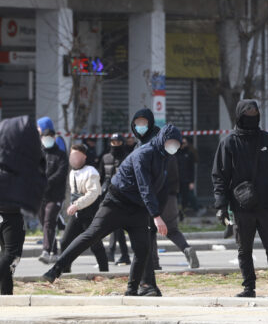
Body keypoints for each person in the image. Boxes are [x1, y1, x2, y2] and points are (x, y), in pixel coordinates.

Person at [42, 124, 184, 297]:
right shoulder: (143, 154)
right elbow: (144, 185)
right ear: (163, 139)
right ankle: (55, 270)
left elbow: (159, 188)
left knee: (142, 249)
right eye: (171, 141)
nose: (174, 145)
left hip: (138, 209)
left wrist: (156, 212)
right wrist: (156, 215)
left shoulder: (164, 158)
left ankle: (133, 290)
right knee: (91, 235)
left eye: (177, 143)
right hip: (116, 202)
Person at [211, 100, 268, 299]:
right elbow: (219, 177)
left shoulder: (267, 140)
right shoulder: (229, 142)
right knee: (244, 250)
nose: (252, 116)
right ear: (239, 115)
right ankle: (248, 287)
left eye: (255, 113)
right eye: (248, 113)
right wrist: (221, 206)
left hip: (267, 205)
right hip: (241, 207)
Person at [0, 117, 47, 295]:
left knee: (7, 256)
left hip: (2, 213)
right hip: (9, 213)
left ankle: (6, 294)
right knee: (12, 254)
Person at [58, 144, 109, 273]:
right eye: (72, 155)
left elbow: (92, 193)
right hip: (77, 214)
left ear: (84, 157)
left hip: (90, 213)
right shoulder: (72, 172)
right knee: (65, 242)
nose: (73, 158)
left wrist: (77, 204)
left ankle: (105, 271)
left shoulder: (91, 172)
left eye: (76, 155)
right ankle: (65, 270)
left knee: (95, 244)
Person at [129, 108, 163, 292]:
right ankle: (147, 284)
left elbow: (153, 177)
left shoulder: (153, 144)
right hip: (141, 201)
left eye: (144, 122)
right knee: (142, 244)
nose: (140, 126)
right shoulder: (140, 143)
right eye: (137, 122)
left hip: (149, 201)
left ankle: (147, 284)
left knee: (143, 244)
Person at [160, 148, 200, 269]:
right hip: (171, 198)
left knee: (148, 231)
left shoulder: (151, 155)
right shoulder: (172, 157)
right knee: (172, 231)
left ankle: (153, 262)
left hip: (156, 198)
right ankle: (186, 249)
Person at [99, 133, 131, 265]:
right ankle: (120, 254)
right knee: (115, 225)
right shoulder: (105, 157)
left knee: (116, 225)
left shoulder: (127, 158)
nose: (115, 145)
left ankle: (115, 253)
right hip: (107, 194)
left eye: (118, 142)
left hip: (123, 195)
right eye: (113, 142)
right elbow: (100, 176)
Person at [38, 127, 68, 263]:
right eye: (45, 137)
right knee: (44, 222)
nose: (47, 139)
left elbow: (61, 173)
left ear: (54, 137)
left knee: (49, 221)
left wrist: (46, 182)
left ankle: (46, 250)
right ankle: (54, 251)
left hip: (55, 195)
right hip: (40, 196)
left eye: (50, 136)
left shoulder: (60, 154)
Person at [177, 136, 199, 213]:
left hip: (186, 180)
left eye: (184, 143)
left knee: (186, 196)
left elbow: (191, 169)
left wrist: (191, 181)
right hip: (177, 180)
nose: (182, 144)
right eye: (181, 143)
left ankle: (187, 210)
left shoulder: (189, 154)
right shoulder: (176, 153)